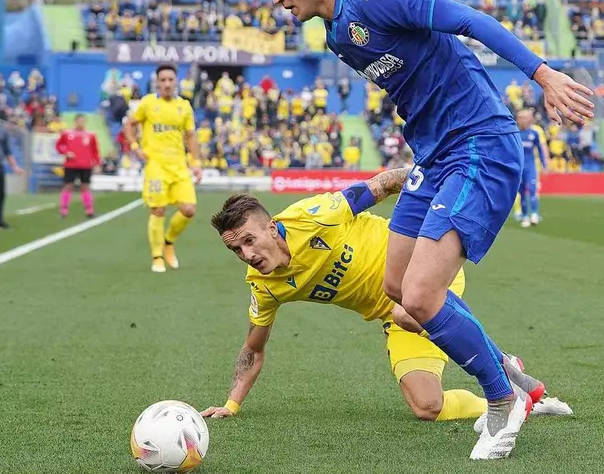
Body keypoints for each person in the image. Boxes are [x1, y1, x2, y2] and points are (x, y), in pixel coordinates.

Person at [248, 0, 593, 460]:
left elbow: (471, 22)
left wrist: (543, 75)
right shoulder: (336, 35)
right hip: (431, 157)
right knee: (398, 292)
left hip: (477, 142)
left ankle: (501, 401)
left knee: (424, 295)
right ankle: (520, 380)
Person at [202, 168, 572, 424]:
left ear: (270, 227)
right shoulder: (264, 285)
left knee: (408, 309)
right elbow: (254, 348)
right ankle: (518, 400)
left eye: (249, 241)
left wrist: (436, 193)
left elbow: (387, 182)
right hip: (394, 313)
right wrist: (232, 404)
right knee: (427, 406)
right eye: (236, 250)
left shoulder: (314, 215)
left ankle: (500, 371)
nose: (247, 255)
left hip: (423, 269)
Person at [123, 63, 203, 273]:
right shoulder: (148, 103)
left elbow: (191, 136)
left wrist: (196, 163)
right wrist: (135, 147)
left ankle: (169, 241)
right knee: (158, 210)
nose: (167, 84)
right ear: (157, 82)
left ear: (176, 82)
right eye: (163, 80)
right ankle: (157, 256)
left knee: (189, 209)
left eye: (170, 80)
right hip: (156, 165)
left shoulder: (184, 106)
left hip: (178, 166)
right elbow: (129, 124)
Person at [55, 114, 100, 219]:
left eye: (83, 121)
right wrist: (66, 152)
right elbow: (59, 145)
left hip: (86, 165)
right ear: (75, 122)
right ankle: (63, 210)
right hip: (71, 164)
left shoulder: (90, 135)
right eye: (79, 121)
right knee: (68, 186)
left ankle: (89, 210)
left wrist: (97, 163)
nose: (81, 123)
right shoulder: (67, 133)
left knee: (85, 187)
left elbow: (95, 151)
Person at [515, 109, 548, 227]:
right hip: (518, 168)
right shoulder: (514, 133)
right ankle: (524, 216)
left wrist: (545, 163)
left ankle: (534, 214)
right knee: (522, 192)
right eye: (522, 118)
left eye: (526, 118)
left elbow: (540, 149)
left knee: (533, 189)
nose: (525, 120)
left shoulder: (534, 133)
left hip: (530, 166)